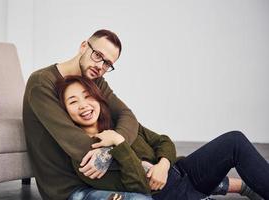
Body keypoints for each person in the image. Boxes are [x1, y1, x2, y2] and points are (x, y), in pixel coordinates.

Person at [56, 75, 268, 200]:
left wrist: (163, 165)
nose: (83, 105)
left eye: (87, 96)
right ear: (65, 111)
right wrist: (119, 145)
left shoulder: (119, 124)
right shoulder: (85, 154)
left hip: (181, 171)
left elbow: (163, 141)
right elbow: (138, 188)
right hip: (169, 194)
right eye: (73, 102)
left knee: (234, 140)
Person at [23, 29, 154, 200]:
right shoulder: (42, 82)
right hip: (69, 189)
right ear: (84, 46)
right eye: (98, 55)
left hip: (103, 180)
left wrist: (114, 143)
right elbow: (77, 143)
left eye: (107, 64)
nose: (100, 66)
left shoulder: (95, 80)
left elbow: (127, 116)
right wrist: (135, 163)